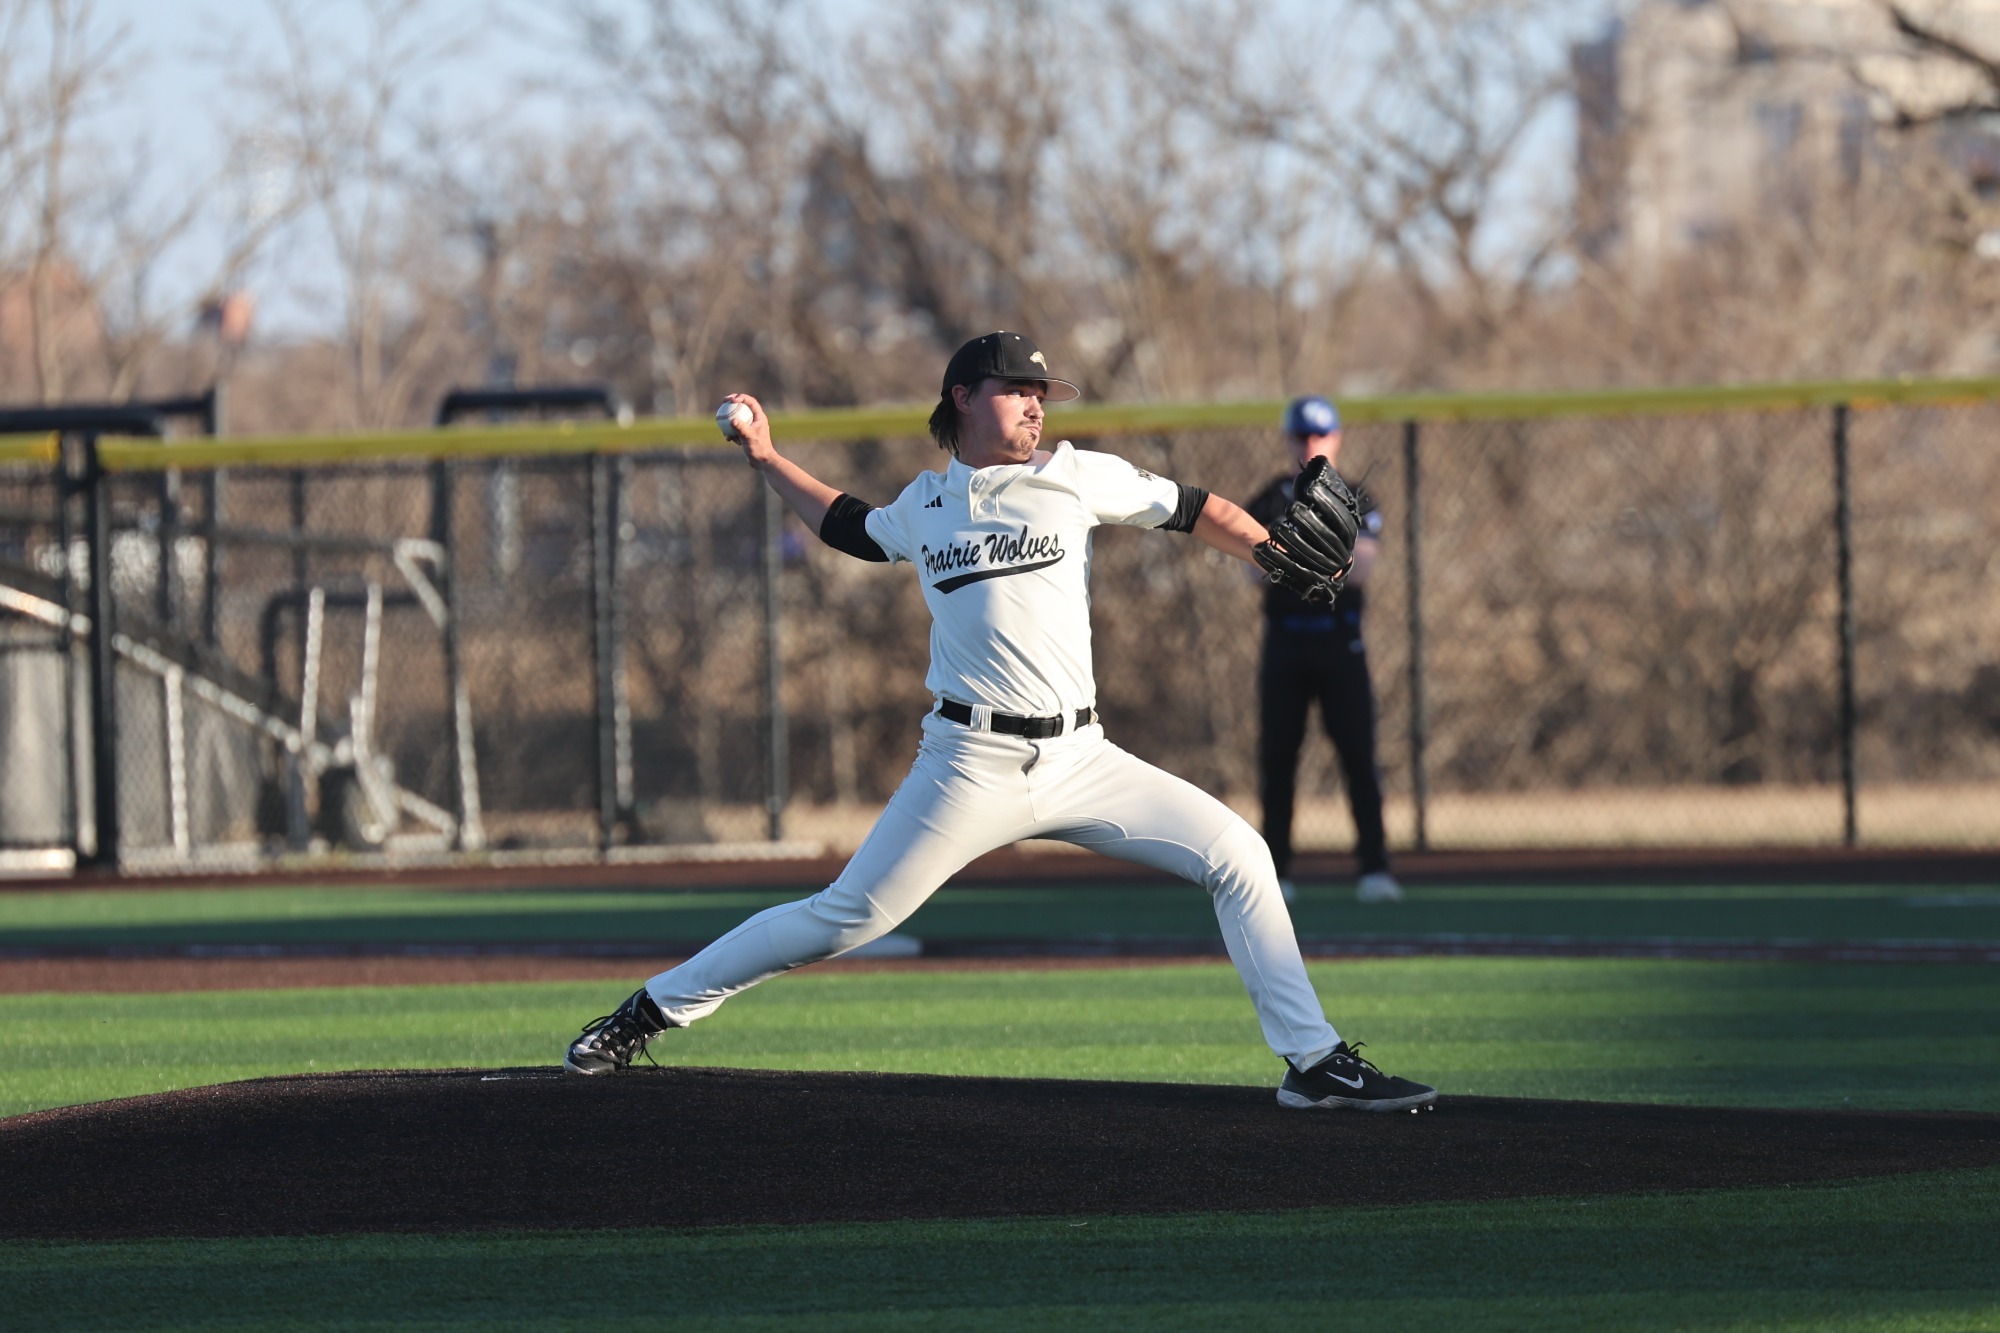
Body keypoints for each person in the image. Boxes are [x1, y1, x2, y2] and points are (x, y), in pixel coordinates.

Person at [564, 332, 1434, 1113]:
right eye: (1018, 389)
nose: (1036, 404)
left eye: (1043, 393)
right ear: (963, 401)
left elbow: (1196, 507)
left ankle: (1313, 1061)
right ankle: (648, 1009)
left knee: (1239, 854)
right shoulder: (926, 504)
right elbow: (850, 526)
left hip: (1084, 756)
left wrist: (1271, 553)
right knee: (846, 917)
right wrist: (765, 456)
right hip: (965, 762)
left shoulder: (1075, 474)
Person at [1247, 395, 1403, 905]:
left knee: (1359, 756)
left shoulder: (1358, 495)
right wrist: (1328, 553)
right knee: (1278, 761)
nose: (1311, 445)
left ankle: (1375, 869)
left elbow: (1362, 569)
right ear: (1290, 439)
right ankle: (1277, 872)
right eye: (1302, 436)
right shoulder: (1271, 495)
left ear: (1336, 437)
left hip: (1342, 646)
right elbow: (1252, 567)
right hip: (1286, 646)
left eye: (1320, 435)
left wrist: (1290, 553)